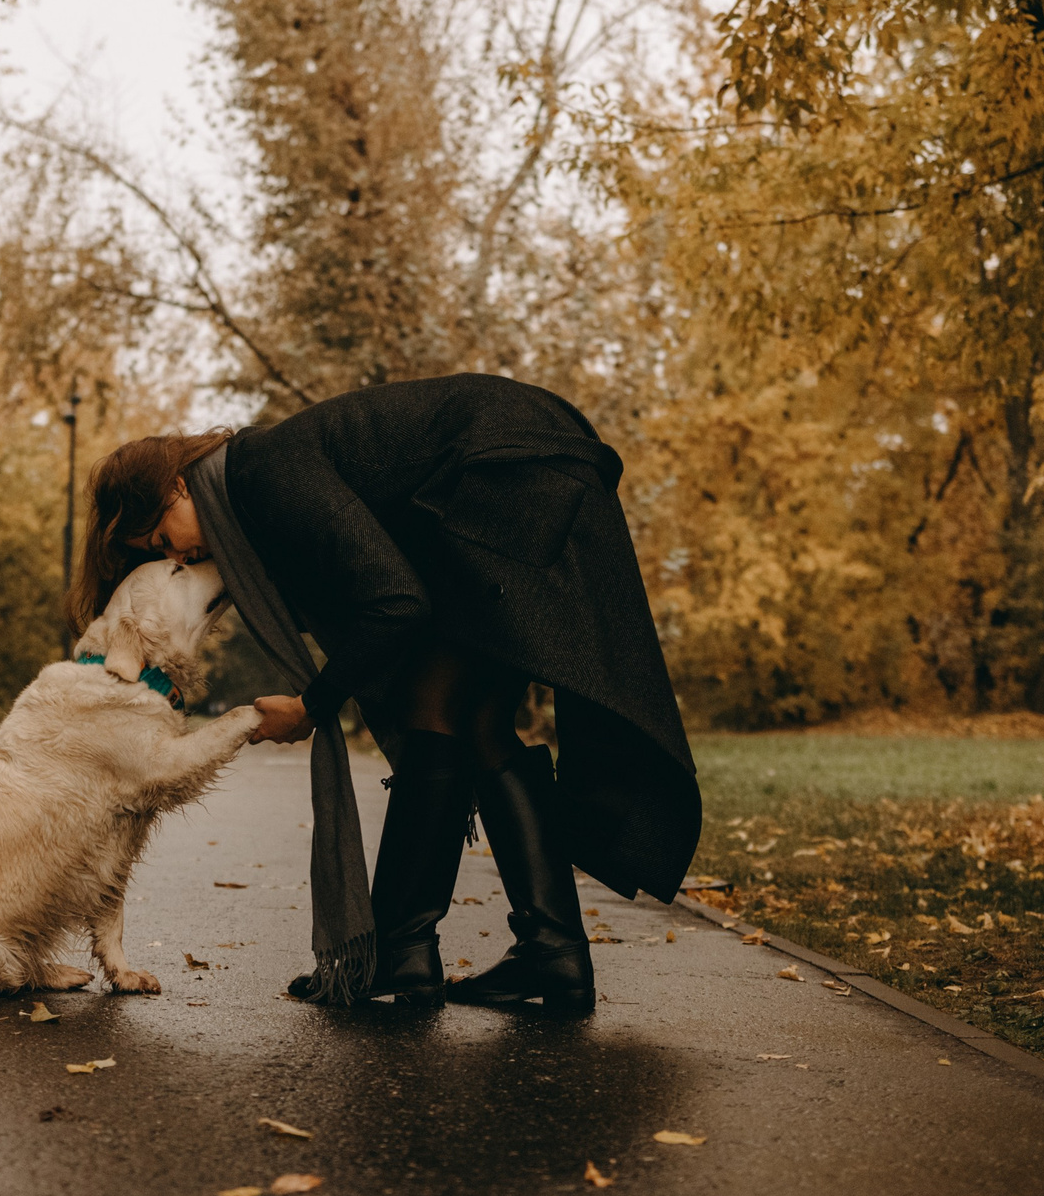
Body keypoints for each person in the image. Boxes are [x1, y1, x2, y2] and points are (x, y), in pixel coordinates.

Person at [67, 374, 698, 1013]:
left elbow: (396, 601)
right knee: (471, 719)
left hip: (511, 472)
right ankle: (546, 956)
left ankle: (411, 951)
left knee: (443, 709)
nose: (179, 550)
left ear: (175, 485)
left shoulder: (258, 471)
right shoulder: (252, 488)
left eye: (160, 537)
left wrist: (313, 704)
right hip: (519, 467)